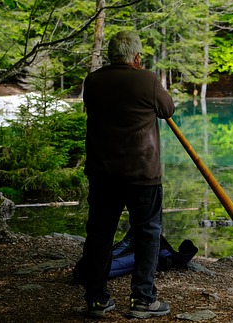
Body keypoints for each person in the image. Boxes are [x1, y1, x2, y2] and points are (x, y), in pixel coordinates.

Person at [80, 30, 175, 319]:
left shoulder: (93, 81)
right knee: (147, 233)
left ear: (111, 55)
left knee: (99, 234)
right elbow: (167, 109)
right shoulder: (146, 79)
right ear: (136, 57)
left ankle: (96, 300)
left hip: (103, 173)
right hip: (141, 173)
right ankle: (143, 300)